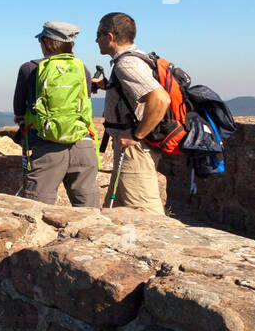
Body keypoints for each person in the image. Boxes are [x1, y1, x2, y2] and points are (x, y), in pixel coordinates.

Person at [12, 20, 100, 206]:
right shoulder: (82, 69)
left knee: (37, 209)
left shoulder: (29, 69)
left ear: (46, 42)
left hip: (45, 146)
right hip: (83, 145)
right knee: (89, 210)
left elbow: (19, 110)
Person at [90, 11, 170, 214]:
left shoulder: (127, 63)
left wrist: (136, 135)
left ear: (110, 36)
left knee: (145, 211)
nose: (96, 39)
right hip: (129, 146)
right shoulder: (134, 59)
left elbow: (160, 99)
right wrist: (109, 86)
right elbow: (135, 98)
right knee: (116, 209)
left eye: (98, 34)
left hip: (134, 148)